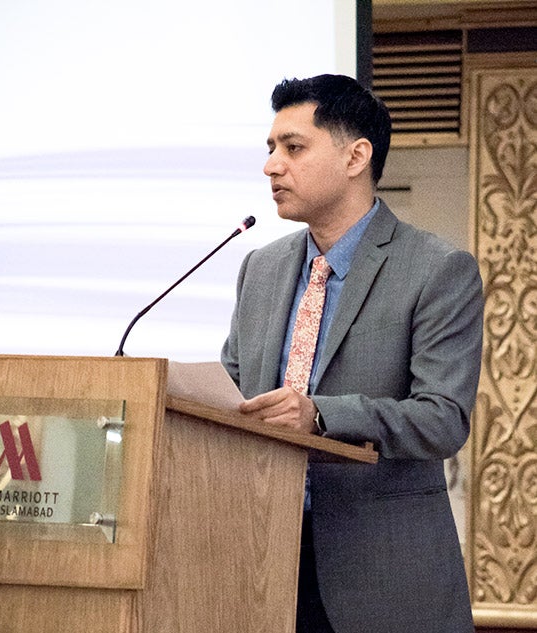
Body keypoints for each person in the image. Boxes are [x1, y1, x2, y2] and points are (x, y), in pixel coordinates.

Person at [221, 74, 483, 633]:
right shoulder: (260, 269)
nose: (271, 166)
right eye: (270, 149)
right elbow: (232, 391)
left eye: (293, 148)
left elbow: (442, 419)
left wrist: (320, 414)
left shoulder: (436, 270)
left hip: (382, 579)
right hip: (259, 569)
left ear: (355, 156)